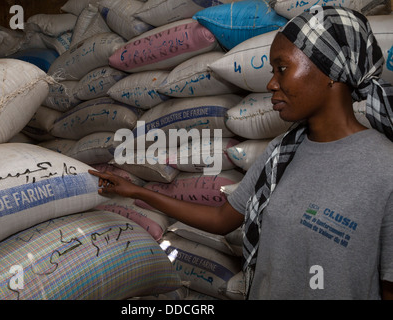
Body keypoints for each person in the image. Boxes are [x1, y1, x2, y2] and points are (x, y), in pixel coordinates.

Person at [89, 6, 393, 300]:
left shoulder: (384, 168)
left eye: (282, 69)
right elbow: (223, 218)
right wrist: (136, 191)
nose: (272, 83)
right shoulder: (282, 153)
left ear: (331, 70)